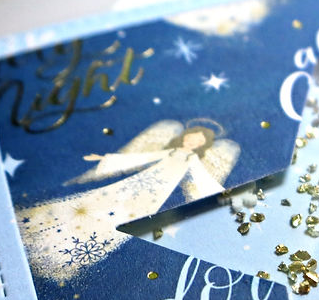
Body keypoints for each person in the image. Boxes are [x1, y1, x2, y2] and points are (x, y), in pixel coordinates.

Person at [17, 120, 240, 282]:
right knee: (98, 202)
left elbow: (202, 179)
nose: (193, 141)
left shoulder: (192, 159)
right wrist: (106, 159)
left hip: (154, 195)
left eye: (199, 140)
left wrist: (225, 195)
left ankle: (66, 255)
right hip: (137, 184)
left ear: (203, 145)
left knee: (121, 221)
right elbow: (141, 158)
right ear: (185, 136)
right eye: (192, 137)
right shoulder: (170, 151)